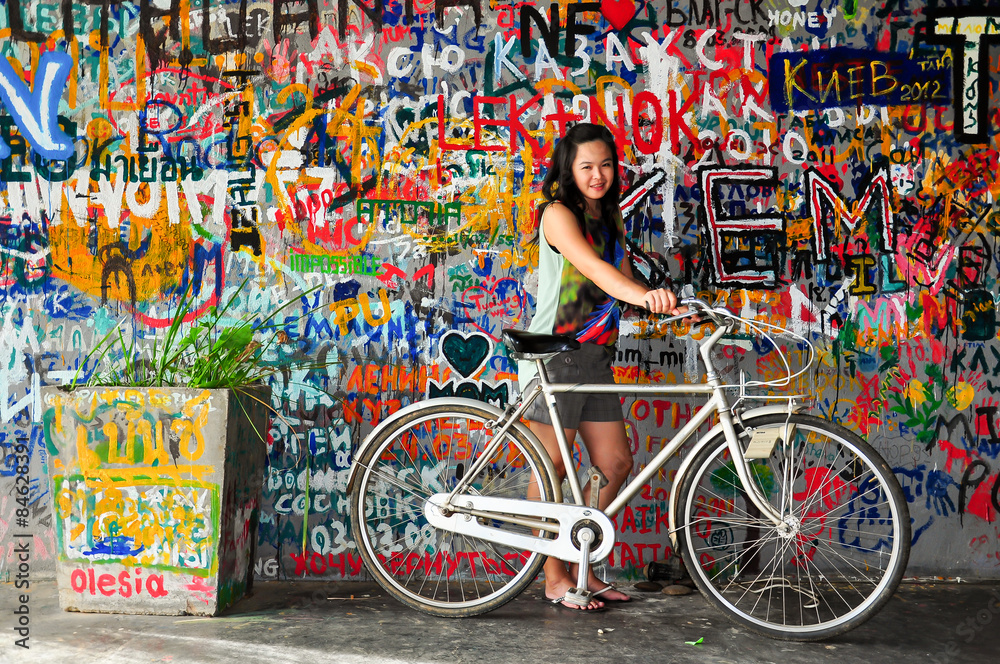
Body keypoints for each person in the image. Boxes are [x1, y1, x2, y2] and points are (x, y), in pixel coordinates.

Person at [518, 123, 683, 611]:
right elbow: (595, 271)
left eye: (606, 165)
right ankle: (552, 576)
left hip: (595, 357)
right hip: (556, 353)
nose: (598, 175)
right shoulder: (557, 215)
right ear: (568, 168)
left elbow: (626, 284)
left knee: (614, 465)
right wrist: (639, 294)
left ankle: (580, 569)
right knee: (550, 469)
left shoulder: (609, 220)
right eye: (587, 166)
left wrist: (673, 306)